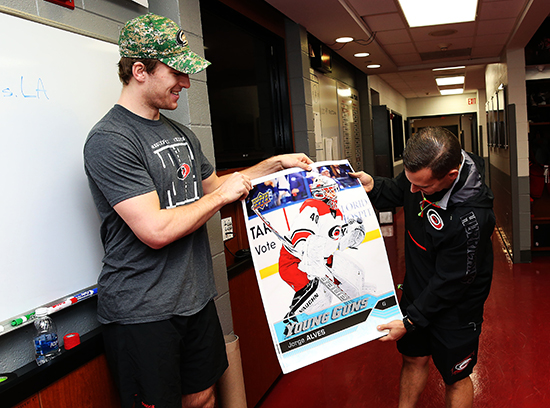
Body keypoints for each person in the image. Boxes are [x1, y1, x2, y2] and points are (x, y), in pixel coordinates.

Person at [83, 13, 312, 408]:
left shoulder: (180, 133)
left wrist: (273, 165)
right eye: (176, 73)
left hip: (194, 298)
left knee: (204, 398)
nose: (186, 84)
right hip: (143, 310)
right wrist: (220, 199)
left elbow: (216, 188)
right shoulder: (110, 139)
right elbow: (155, 229)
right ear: (140, 71)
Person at [352, 127, 495, 408]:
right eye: (411, 181)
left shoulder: (472, 217)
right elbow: (397, 189)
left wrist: (409, 322)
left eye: (423, 187)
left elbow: (451, 282)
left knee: (455, 376)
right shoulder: (422, 174)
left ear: (451, 176)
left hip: (456, 306)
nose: (414, 191)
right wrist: (372, 186)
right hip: (418, 290)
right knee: (413, 357)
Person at [276, 174, 371, 320]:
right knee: (318, 295)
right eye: (330, 191)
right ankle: (292, 322)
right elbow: (301, 232)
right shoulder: (313, 207)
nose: (334, 194)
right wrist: (307, 252)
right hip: (296, 262)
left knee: (354, 273)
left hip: (323, 259)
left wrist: (350, 234)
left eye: (334, 190)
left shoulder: (336, 213)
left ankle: (359, 301)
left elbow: (334, 240)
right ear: (320, 193)